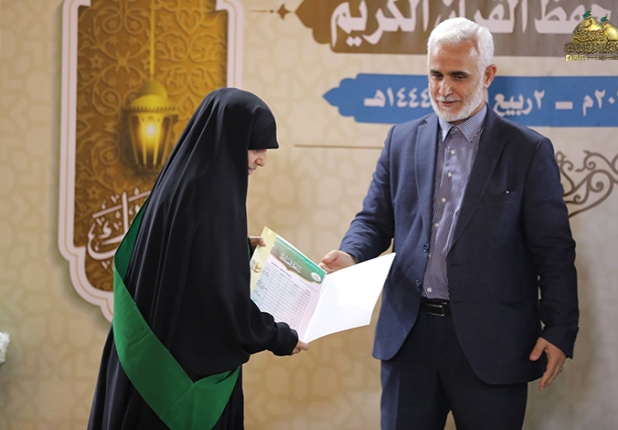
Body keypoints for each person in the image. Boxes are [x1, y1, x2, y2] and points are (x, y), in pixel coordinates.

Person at [320, 17, 578, 430]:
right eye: (436, 75)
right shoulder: (401, 140)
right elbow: (374, 219)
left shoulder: (527, 150)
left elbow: (554, 251)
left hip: (494, 344)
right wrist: (350, 254)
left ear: (487, 75)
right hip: (409, 339)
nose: (444, 89)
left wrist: (561, 328)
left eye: (458, 76)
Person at [88, 88, 309, 430]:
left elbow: (184, 263)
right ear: (230, 140)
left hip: (148, 369)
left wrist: (234, 249)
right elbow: (222, 304)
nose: (262, 160)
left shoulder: (180, 185)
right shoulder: (214, 200)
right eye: (256, 148)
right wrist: (278, 337)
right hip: (180, 383)